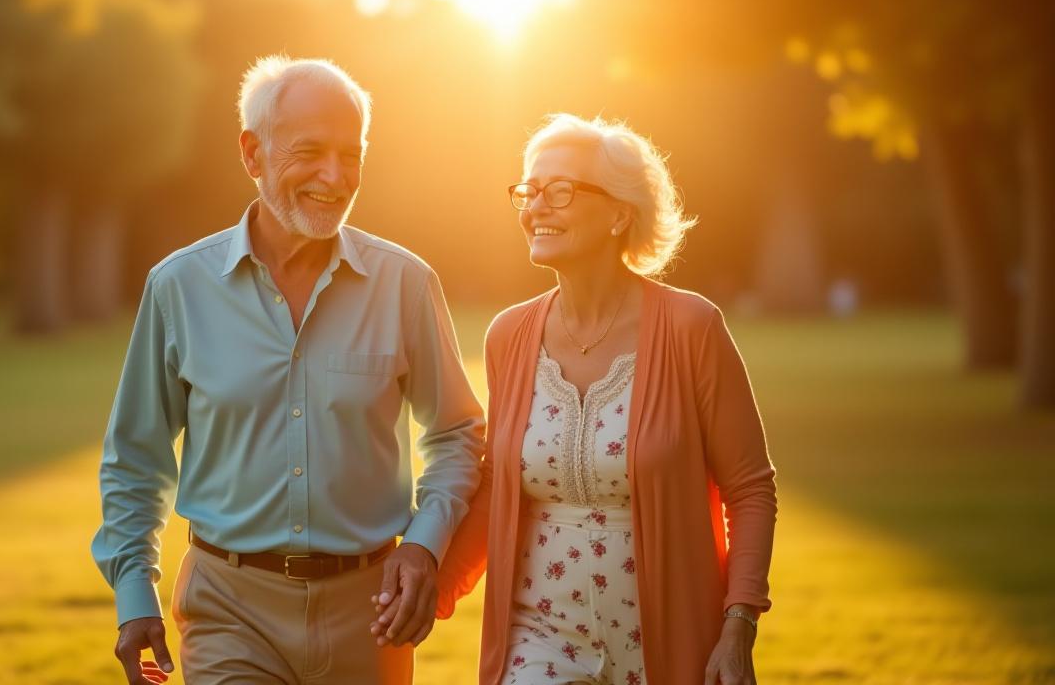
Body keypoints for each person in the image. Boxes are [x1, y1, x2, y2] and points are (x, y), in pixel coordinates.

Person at [93, 55, 485, 684]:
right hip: (228, 608)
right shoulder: (179, 287)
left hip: (372, 611)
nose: (334, 176)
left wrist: (423, 544)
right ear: (253, 153)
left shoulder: (406, 284)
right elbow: (136, 455)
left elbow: (457, 433)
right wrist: (135, 592)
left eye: (350, 155)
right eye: (310, 152)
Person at [427, 114, 777, 684]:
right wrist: (433, 584)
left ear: (619, 214)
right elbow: (497, 486)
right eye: (529, 191)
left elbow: (750, 489)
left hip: (664, 639)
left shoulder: (692, 327)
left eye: (561, 190)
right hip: (539, 636)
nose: (536, 207)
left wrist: (739, 623)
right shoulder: (509, 336)